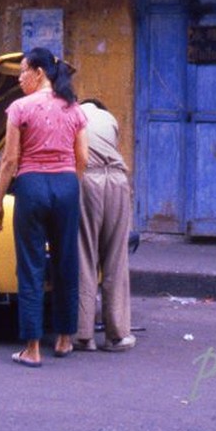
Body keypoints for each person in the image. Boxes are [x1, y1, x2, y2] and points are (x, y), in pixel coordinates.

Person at [0, 48, 89, 367]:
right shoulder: (75, 109)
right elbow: (83, 159)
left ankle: (32, 348)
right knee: (65, 261)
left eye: (22, 71)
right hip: (65, 185)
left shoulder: (20, 108)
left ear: (39, 73)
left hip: (31, 186)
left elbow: (9, 161)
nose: (19, 78)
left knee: (31, 265)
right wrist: (68, 184)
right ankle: (64, 339)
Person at [74, 99, 136, 353]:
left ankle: (83, 336)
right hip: (118, 181)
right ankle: (117, 335)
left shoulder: (75, 115)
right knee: (115, 259)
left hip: (89, 179)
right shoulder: (109, 119)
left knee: (85, 255)